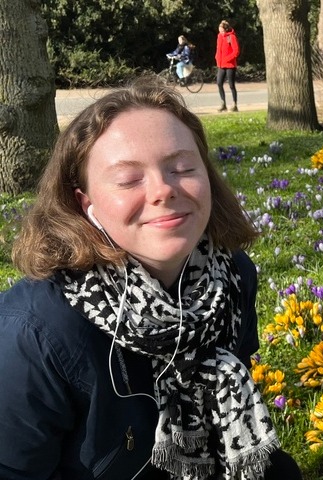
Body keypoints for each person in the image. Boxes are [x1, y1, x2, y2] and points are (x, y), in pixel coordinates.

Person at [0, 78, 303, 480]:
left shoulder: (232, 275)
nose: (163, 190)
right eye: (128, 179)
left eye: (181, 168)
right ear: (84, 204)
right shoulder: (36, 332)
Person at [215, 20, 240, 112]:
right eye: (219, 31)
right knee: (219, 83)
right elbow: (218, 49)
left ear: (225, 29)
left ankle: (234, 104)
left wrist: (228, 58)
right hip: (221, 64)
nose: (220, 32)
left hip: (230, 65)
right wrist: (217, 57)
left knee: (231, 85)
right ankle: (223, 104)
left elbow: (236, 51)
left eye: (222, 31)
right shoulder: (219, 36)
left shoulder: (231, 37)